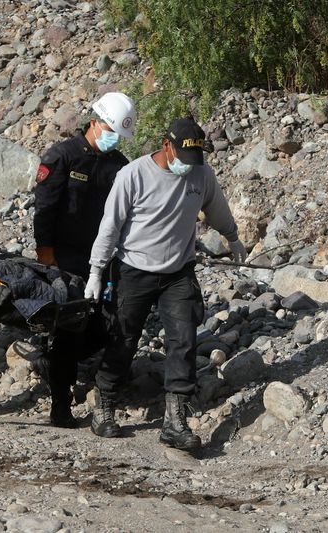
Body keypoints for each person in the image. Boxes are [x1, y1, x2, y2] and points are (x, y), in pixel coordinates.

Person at [85, 117, 247, 451]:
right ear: (165, 144)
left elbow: (217, 210)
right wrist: (96, 272)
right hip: (133, 269)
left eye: (194, 161)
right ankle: (104, 406)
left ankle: (175, 421)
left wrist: (233, 238)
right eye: (183, 159)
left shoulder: (201, 174)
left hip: (178, 271)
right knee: (123, 337)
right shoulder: (133, 175)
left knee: (183, 340)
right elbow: (110, 226)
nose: (187, 167)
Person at [33, 92, 136, 428]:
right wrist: (46, 254)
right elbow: (45, 209)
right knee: (69, 326)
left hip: (103, 258)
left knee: (109, 324)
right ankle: (60, 404)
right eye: (109, 130)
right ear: (94, 123)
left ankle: (53, 361)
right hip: (64, 256)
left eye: (117, 135)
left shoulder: (118, 165)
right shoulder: (62, 157)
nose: (112, 139)